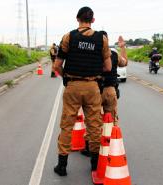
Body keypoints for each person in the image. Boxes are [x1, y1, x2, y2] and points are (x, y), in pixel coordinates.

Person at [53, 6, 112, 176]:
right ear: (93, 20)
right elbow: (108, 66)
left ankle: (62, 166)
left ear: (77, 19)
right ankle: (95, 165)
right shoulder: (102, 39)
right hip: (93, 86)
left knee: (67, 125)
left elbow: (57, 66)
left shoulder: (68, 36)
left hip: (72, 85)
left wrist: (66, 77)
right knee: (94, 125)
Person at [81, 33, 128, 157]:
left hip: (94, 90)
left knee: (92, 120)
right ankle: (113, 146)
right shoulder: (114, 54)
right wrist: (122, 47)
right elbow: (124, 63)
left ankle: (89, 146)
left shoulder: (91, 53)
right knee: (112, 118)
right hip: (110, 90)